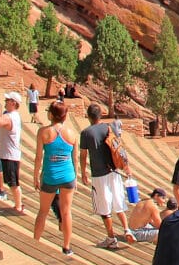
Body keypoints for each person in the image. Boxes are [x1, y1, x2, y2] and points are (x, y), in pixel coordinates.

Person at [78, 104, 133, 248]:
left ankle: (111, 238)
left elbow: (83, 156)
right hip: (114, 172)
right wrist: (126, 167)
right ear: (100, 115)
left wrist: (83, 172)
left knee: (104, 209)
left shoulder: (86, 133)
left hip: (99, 174)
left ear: (88, 116)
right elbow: (119, 147)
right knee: (118, 203)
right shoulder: (110, 127)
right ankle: (127, 229)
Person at [32, 99, 78, 256]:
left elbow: (39, 157)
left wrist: (36, 176)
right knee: (66, 212)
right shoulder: (72, 134)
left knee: (43, 211)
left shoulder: (43, 132)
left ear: (51, 115)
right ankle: (67, 246)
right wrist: (76, 178)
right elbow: (75, 159)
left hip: (50, 175)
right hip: (68, 175)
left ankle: (35, 242)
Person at [0, 93, 24, 213]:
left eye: (7, 100)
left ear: (13, 103)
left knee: (13, 182)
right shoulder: (9, 115)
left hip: (10, 155)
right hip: (7, 153)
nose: (5, 101)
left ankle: (18, 206)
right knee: (11, 181)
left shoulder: (10, 117)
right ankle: (18, 204)